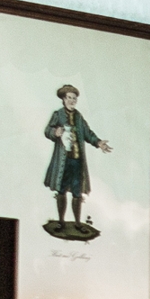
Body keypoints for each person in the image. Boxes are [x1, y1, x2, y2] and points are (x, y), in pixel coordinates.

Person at [42, 84, 112, 230]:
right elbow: (47, 130)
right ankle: (61, 222)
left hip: (77, 162)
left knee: (77, 192)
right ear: (63, 99)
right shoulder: (58, 114)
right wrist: (55, 132)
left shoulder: (79, 117)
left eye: (74, 98)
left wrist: (99, 143)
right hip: (63, 162)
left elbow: (88, 133)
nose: (72, 101)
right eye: (69, 98)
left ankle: (78, 223)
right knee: (61, 190)